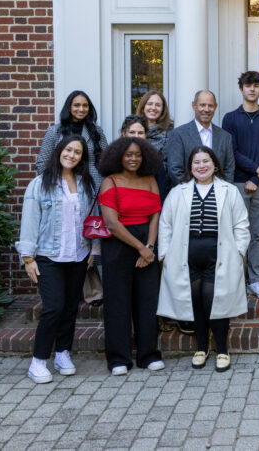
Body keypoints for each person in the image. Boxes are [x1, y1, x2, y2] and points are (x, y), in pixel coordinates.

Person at [157, 147, 250, 372]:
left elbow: (241, 224)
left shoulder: (229, 190)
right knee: (195, 302)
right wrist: (165, 254)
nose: (201, 166)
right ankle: (201, 348)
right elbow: (166, 225)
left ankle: (222, 350)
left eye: (205, 161)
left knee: (216, 302)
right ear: (190, 167)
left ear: (214, 164)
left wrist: (238, 252)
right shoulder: (178, 192)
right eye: (196, 162)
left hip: (219, 257)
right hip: (186, 257)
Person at [17, 137, 96, 384]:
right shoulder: (39, 184)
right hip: (48, 256)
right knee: (53, 308)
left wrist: (94, 249)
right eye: (68, 150)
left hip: (78, 256)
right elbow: (29, 222)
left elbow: (92, 219)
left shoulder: (86, 185)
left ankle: (62, 353)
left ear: (82, 158)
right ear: (59, 151)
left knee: (71, 307)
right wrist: (28, 258)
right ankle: (38, 361)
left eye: (77, 152)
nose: (72, 155)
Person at [97, 136, 164, 375]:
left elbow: (156, 214)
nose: (133, 159)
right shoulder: (109, 182)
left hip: (146, 242)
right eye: (128, 155)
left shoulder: (150, 181)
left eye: (137, 154)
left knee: (147, 301)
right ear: (118, 157)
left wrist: (150, 246)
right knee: (118, 302)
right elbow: (112, 224)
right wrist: (141, 248)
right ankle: (118, 359)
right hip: (118, 245)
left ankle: (148, 355)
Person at [221, 71, 259, 300]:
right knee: (237, 234)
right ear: (241, 89)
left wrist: (256, 178)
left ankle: (255, 280)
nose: (252, 89)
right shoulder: (230, 118)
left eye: (256, 85)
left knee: (257, 234)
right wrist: (256, 170)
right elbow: (231, 151)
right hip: (236, 182)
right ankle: (236, 281)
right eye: (248, 85)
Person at [36, 90, 109, 188]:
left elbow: (107, 159)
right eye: (77, 105)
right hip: (62, 186)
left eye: (85, 105)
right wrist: (55, 184)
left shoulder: (96, 131)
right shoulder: (54, 131)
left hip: (93, 186)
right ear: (69, 107)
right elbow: (42, 164)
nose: (81, 109)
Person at [167, 90, 236, 185]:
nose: (206, 109)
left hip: (219, 195)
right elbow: (175, 169)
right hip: (188, 194)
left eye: (210, 105)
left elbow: (229, 170)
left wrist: (223, 191)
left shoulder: (225, 136)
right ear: (194, 105)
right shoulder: (178, 134)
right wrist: (194, 191)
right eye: (202, 105)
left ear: (215, 107)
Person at [136, 89, 174, 202]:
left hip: (161, 185)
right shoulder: (134, 128)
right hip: (135, 183)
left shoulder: (171, 131)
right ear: (143, 106)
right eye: (150, 104)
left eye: (158, 105)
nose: (153, 108)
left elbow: (172, 162)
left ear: (163, 110)